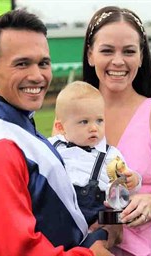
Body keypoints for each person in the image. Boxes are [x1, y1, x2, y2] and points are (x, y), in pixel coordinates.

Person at [0, 9, 115, 256]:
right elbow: (16, 251)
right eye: (22, 63)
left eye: (43, 63)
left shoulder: (13, 124)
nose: (37, 76)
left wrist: (95, 233)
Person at [81, 5, 151, 256]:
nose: (118, 61)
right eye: (107, 50)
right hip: (84, 248)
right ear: (91, 55)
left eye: (129, 51)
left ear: (141, 56)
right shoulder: (73, 112)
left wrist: (150, 201)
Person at [49, 81, 142, 228]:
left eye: (99, 120)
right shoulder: (51, 147)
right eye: (84, 122)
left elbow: (122, 183)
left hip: (96, 221)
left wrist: (133, 180)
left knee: (114, 218)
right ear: (61, 127)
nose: (93, 128)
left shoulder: (110, 154)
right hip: (60, 219)